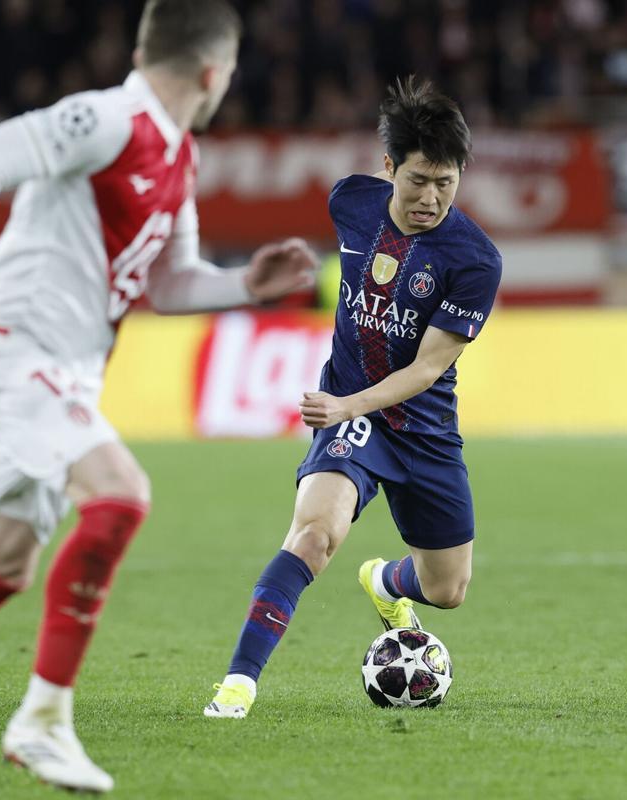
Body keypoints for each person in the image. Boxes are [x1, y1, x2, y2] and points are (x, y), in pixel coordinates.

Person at [0, 1, 316, 794]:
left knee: (3, 564)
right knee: (121, 495)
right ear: (214, 71)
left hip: (66, 376)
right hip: (14, 351)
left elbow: (167, 284)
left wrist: (245, 285)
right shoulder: (107, 118)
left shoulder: (179, 157)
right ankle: (43, 721)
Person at [202, 77, 502, 720]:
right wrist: (344, 409)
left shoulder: (474, 260)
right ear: (388, 166)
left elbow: (427, 369)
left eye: (445, 183)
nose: (430, 198)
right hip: (352, 416)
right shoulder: (351, 202)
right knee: (314, 533)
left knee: (447, 591)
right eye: (418, 179)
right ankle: (238, 684)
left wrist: (346, 405)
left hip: (421, 427)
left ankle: (385, 580)